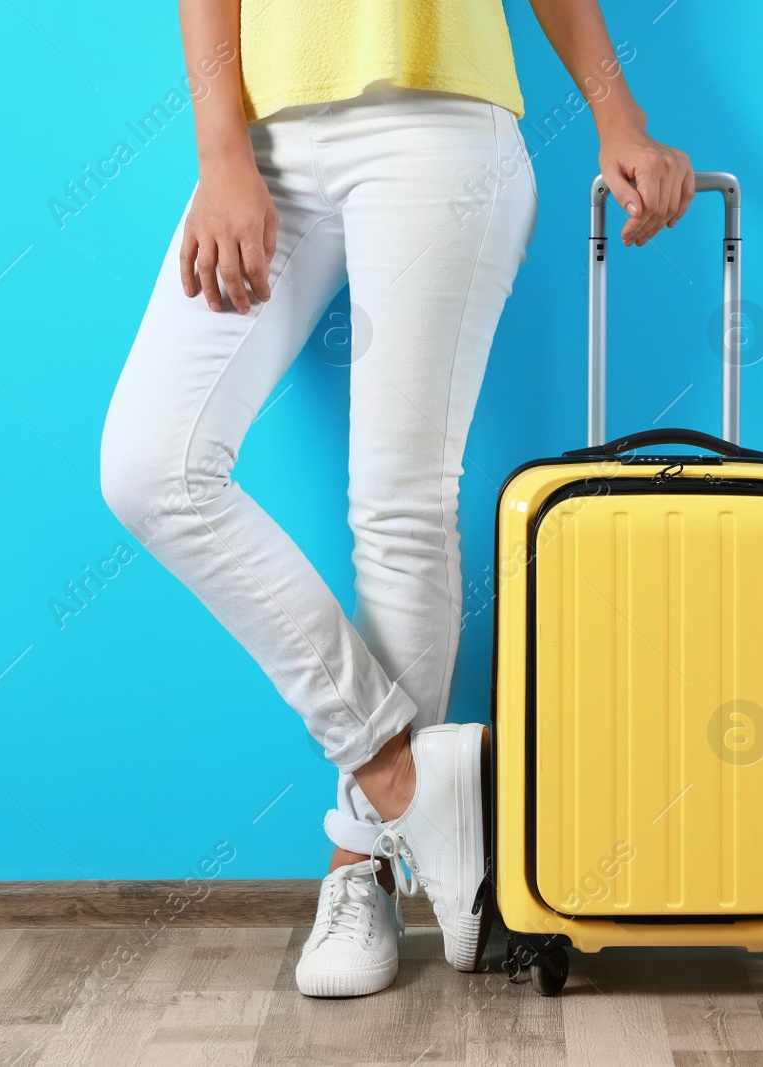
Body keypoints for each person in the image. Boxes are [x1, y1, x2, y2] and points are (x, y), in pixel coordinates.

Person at [99, 0, 694, 997]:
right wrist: (220, 154)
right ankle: (406, 783)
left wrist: (617, 116)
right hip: (271, 136)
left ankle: (363, 863)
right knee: (150, 466)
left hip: (444, 124)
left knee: (400, 498)